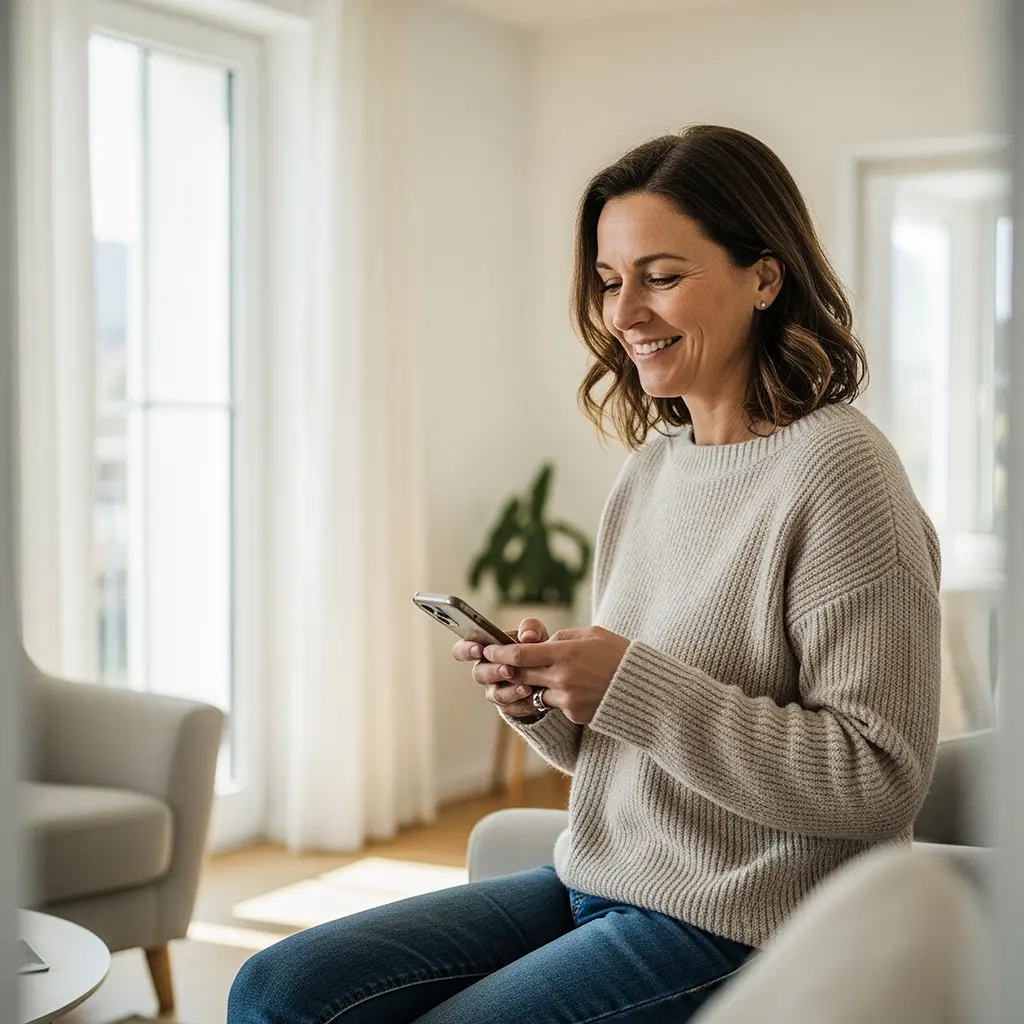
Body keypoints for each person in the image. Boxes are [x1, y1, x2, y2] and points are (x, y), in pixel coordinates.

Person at [227, 125, 942, 1023]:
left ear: (766, 276)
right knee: (277, 989)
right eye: (610, 281)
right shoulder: (652, 467)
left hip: (753, 921)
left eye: (662, 276)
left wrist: (631, 684)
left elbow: (879, 777)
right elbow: (628, 740)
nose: (623, 314)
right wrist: (547, 699)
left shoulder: (842, 472)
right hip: (598, 873)